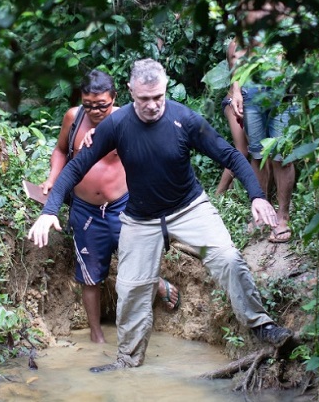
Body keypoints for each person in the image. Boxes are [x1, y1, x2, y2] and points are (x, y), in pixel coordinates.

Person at [29, 59, 293, 373]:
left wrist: (258, 196)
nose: (153, 105)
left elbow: (230, 155)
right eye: (144, 99)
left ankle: (262, 326)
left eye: (159, 97)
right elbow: (75, 166)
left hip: (189, 210)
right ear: (130, 92)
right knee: (130, 290)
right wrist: (48, 211)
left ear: (165, 90)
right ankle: (127, 361)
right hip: (140, 220)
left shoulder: (185, 119)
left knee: (226, 258)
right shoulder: (117, 124)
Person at [39, 69, 179, 344]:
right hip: (85, 209)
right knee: (90, 276)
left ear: (114, 98)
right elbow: (59, 149)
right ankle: (96, 335)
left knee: (137, 261)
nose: (95, 111)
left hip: (123, 205)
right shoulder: (73, 117)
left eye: (101, 105)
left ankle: (157, 283)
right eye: (89, 105)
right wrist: (52, 178)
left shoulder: (128, 118)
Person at [227, 0, 298, 243]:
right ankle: (262, 211)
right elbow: (236, 54)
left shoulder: (279, 2)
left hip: (281, 93)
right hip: (251, 94)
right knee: (258, 155)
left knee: (281, 157)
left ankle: (283, 216)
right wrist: (236, 92)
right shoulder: (245, 1)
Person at [214, 93, 250, 196]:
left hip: (250, 104)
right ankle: (219, 193)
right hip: (233, 102)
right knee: (242, 150)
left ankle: (231, 188)